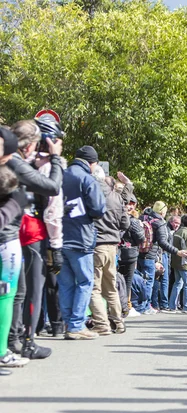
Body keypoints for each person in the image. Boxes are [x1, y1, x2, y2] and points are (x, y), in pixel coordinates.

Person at [6, 119, 64, 358]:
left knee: (16, 291)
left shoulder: (13, 160)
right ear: (28, 145)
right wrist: (56, 158)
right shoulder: (17, 163)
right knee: (30, 291)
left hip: (14, 230)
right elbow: (52, 188)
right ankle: (26, 340)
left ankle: (14, 339)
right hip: (26, 230)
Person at [59, 146, 107, 340]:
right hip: (81, 238)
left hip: (59, 237)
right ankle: (77, 325)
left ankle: (67, 322)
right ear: (92, 163)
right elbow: (98, 209)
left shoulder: (60, 175)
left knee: (66, 284)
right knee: (85, 281)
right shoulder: (88, 179)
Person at [0, 128, 30, 371]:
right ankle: (1, 351)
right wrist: (15, 205)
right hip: (6, 243)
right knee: (6, 296)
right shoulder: (8, 175)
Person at [89, 173, 130, 335]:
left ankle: (101, 323)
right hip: (112, 246)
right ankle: (119, 322)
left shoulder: (93, 196)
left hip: (97, 244)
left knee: (94, 287)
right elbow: (125, 222)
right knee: (111, 286)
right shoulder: (117, 198)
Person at [137, 201, 187, 315]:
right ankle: (145, 306)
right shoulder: (160, 223)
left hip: (137, 253)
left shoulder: (143, 217)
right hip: (150, 255)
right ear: (162, 211)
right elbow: (162, 242)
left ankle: (139, 304)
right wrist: (177, 252)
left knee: (139, 280)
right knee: (149, 281)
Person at [118, 192, 145, 317]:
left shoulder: (116, 216)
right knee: (127, 281)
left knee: (116, 280)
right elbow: (141, 238)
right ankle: (126, 306)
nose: (130, 207)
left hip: (118, 252)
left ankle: (118, 306)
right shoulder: (134, 221)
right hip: (130, 254)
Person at [167, 214, 187, 314]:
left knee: (177, 283)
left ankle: (172, 306)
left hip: (175, 261)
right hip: (185, 263)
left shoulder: (177, 232)